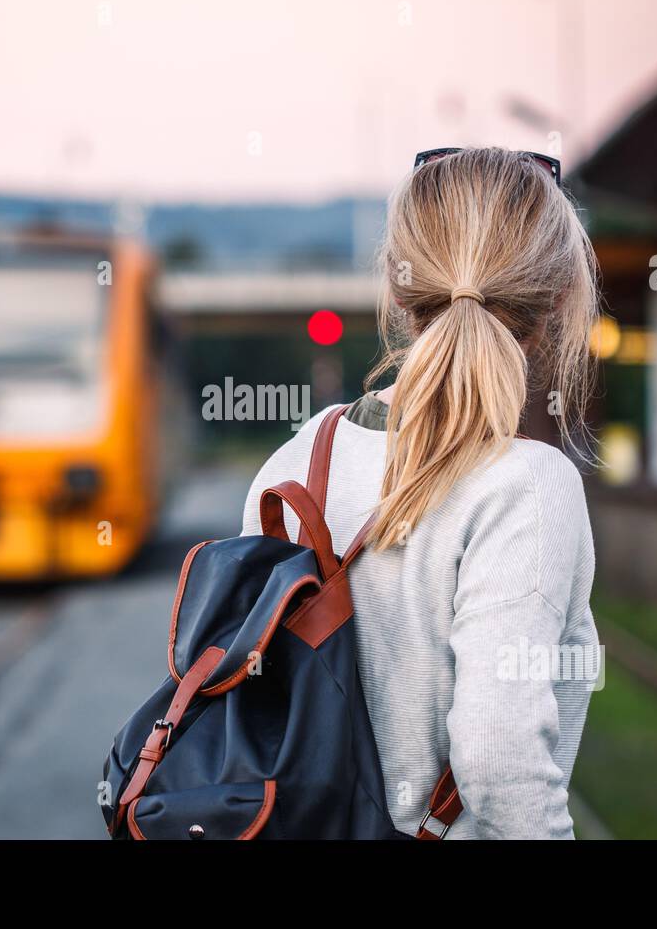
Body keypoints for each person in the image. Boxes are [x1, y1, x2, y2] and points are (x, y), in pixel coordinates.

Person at [241, 146, 601, 839]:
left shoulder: (296, 460)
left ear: (399, 293)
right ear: (559, 298)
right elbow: (499, 762)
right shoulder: (528, 485)